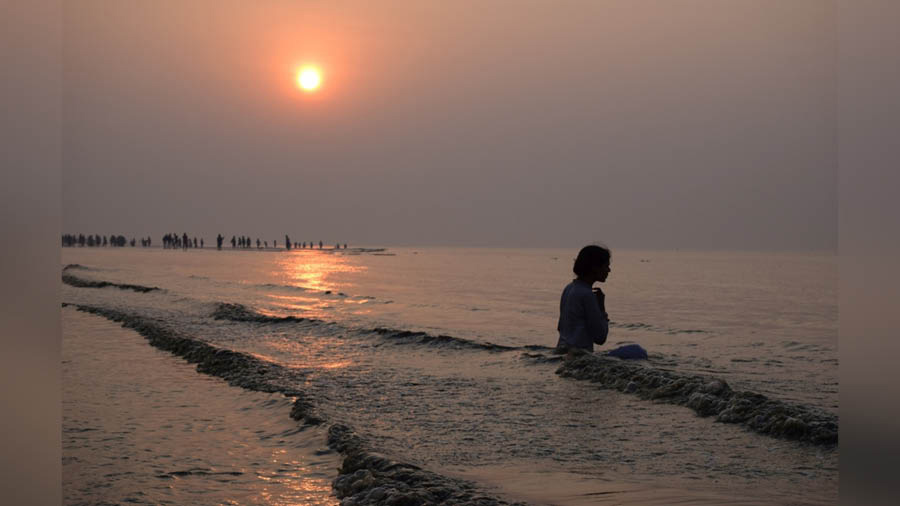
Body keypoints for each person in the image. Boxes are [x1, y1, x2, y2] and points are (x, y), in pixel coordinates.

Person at [556, 244, 611, 352]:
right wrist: (601, 308)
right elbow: (600, 337)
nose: (609, 270)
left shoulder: (568, 288)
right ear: (595, 268)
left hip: (562, 350)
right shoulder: (587, 295)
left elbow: (561, 327)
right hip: (579, 356)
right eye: (606, 266)